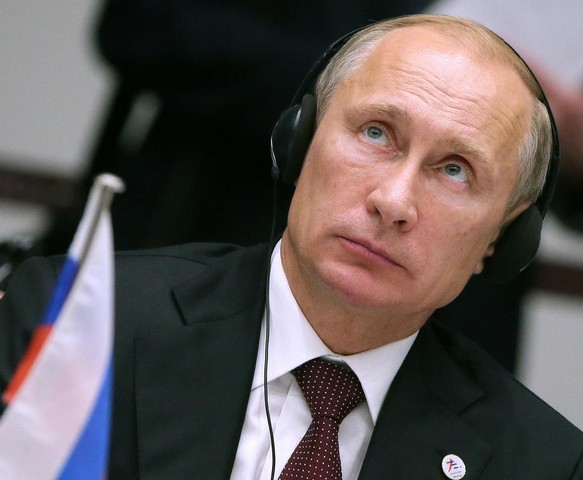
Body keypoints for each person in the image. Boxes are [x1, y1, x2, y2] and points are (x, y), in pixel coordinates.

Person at [1, 14, 582, 479]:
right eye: (376, 133)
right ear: (299, 144)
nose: (394, 201)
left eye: (455, 170)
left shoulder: (542, 463)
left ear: (502, 239)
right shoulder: (80, 327)